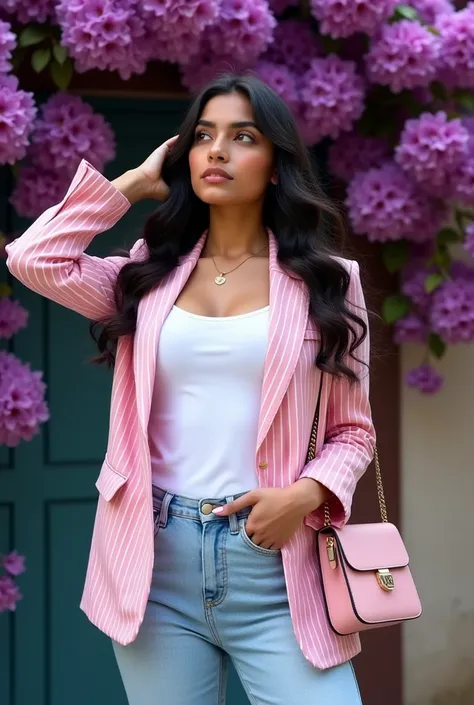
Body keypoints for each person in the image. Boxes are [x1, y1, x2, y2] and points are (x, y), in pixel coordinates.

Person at [6, 74, 375, 705]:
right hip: (155, 564)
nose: (217, 151)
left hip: (277, 566)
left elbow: (353, 431)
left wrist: (305, 494)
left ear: (278, 165)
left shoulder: (329, 284)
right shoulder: (148, 275)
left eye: (242, 137)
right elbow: (33, 259)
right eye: (203, 136)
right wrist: (133, 184)